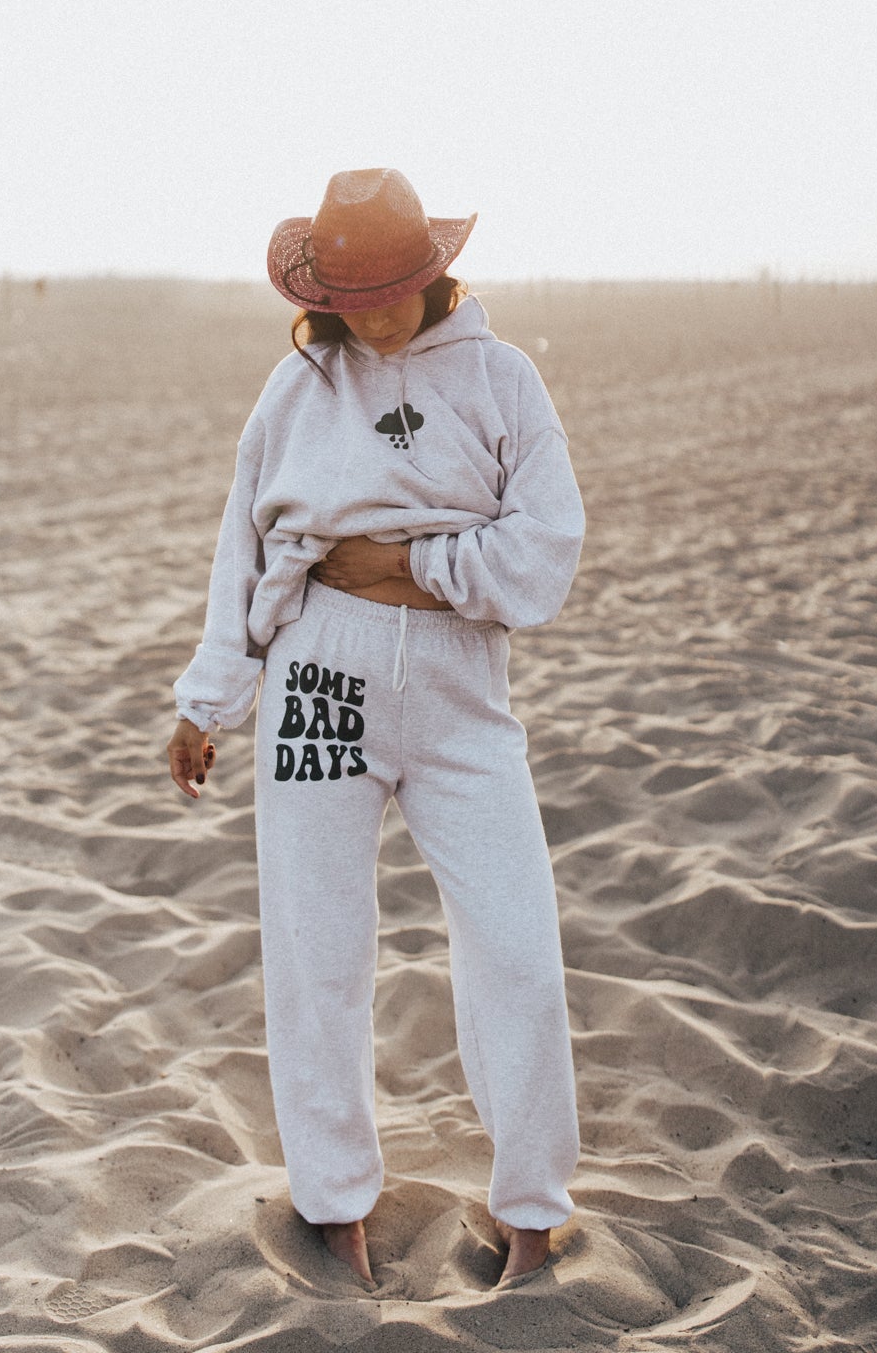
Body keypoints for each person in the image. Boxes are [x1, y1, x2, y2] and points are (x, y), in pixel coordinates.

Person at [165, 168, 583, 1289]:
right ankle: (334, 1204)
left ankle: (534, 1211)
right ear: (325, 290)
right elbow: (242, 549)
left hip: (461, 690)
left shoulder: (502, 379)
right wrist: (209, 699)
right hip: (320, 674)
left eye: (400, 284)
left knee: (517, 948)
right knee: (317, 948)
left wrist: (417, 562)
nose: (380, 309)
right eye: (357, 290)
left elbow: (542, 555)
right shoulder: (296, 388)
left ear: (437, 272)